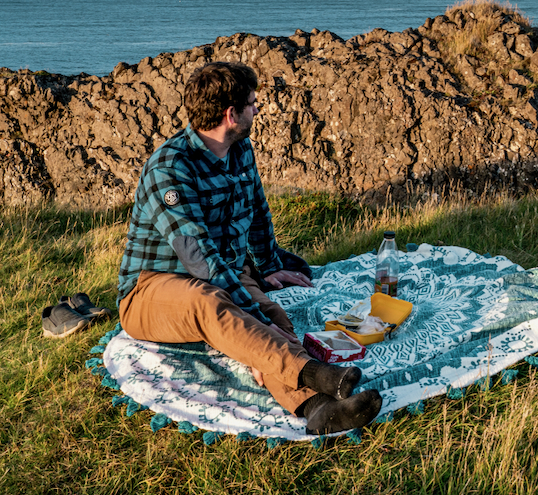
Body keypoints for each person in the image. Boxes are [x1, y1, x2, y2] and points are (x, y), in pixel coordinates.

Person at [116, 61, 381, 435]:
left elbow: (256, 213)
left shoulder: (241, 150)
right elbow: (199, 258)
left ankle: (318, 407)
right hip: (152, 289)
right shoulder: (170, 168)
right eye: (253, 103)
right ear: (231, 114)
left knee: (273, 317)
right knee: (211, 303)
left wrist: (269, 265)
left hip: (226, 271)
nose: (258, 109)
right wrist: (252, 311)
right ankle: (317, 374)